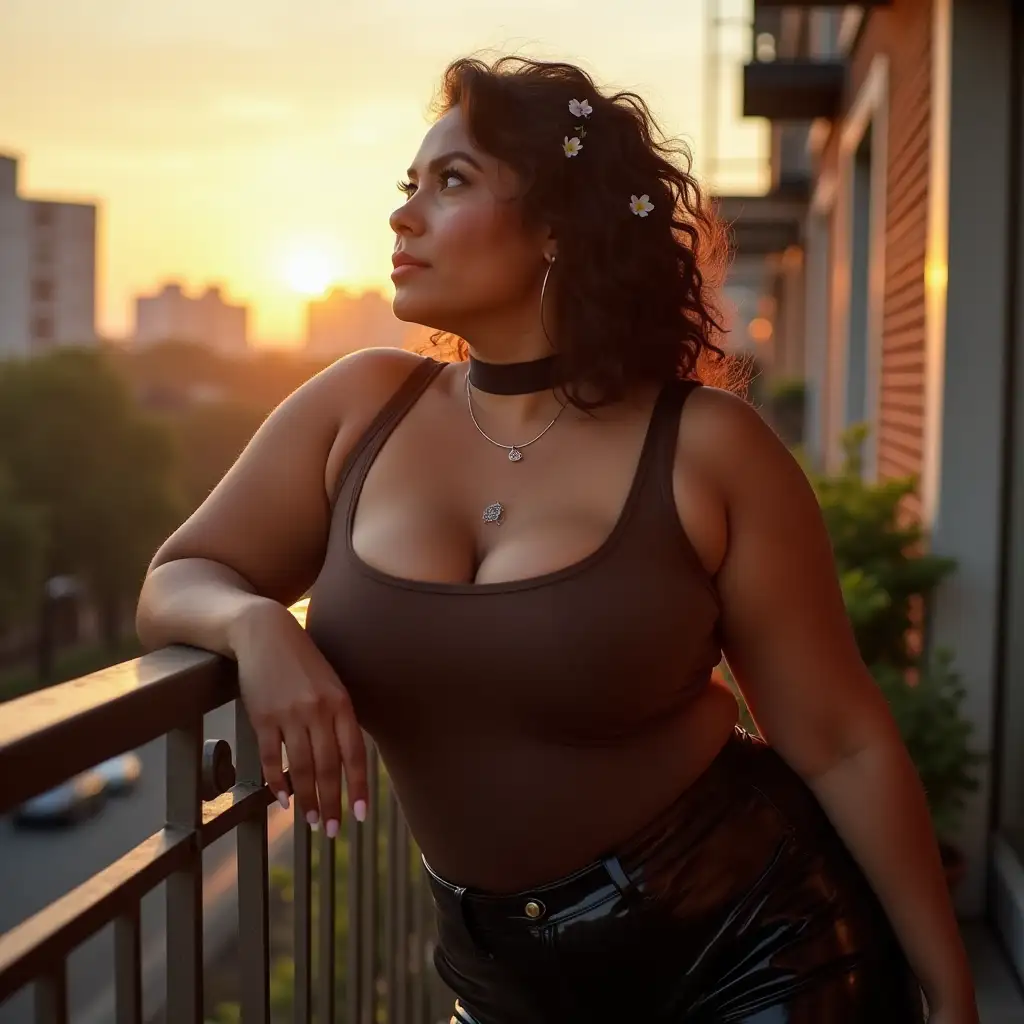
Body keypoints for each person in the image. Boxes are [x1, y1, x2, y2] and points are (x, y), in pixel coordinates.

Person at [136, 56, 978, 1023]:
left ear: (555, 227)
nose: (403, 216)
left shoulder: (706, 447)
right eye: (408, 187)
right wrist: (255, 626)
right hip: (505, 989)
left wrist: (951, 994)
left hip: (755, 948)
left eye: (450, 183)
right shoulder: (358, 407)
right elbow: (176, 577)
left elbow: (838, 741)